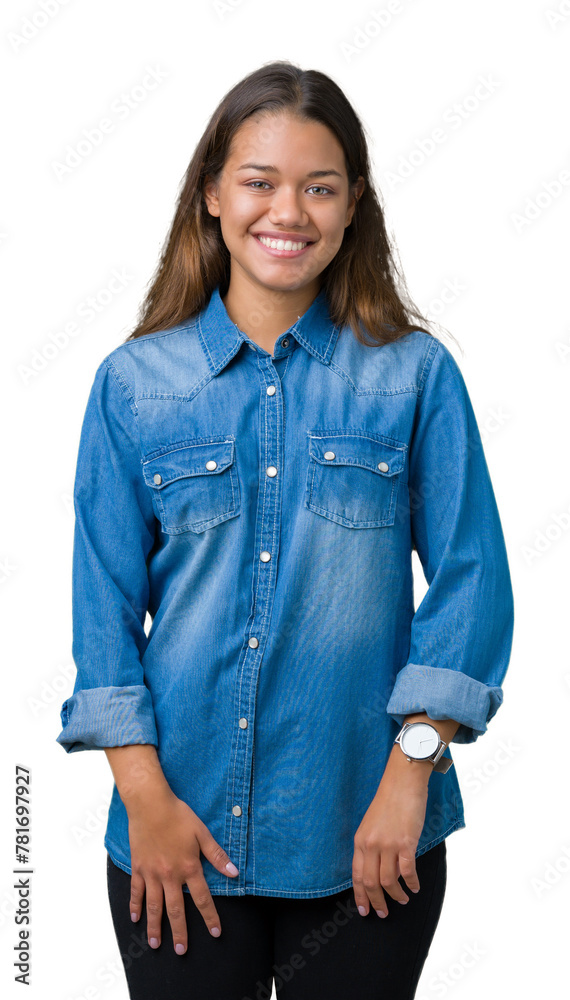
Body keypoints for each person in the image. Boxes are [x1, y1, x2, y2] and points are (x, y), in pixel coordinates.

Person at [56, 60, 515, 1000]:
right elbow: (103, 613)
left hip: (371, 842)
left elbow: (473, 580)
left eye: (321, 186)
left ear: (354, 209)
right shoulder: (133, 386)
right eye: (260, 182)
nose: (289, 212)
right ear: (213, 198)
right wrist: (144, 800)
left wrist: (411, 772)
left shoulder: (415, 378)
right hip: (175, 841)